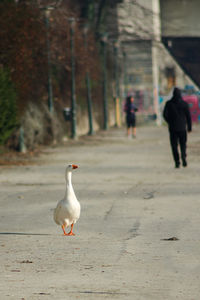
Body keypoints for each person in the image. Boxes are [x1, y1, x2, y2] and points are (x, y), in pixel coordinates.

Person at [163, 87, 192, 168]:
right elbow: (188, 116)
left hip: (173, 128)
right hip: (182, 128)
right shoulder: (184, 104)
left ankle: (177, 162)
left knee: (174, 146)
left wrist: (169, 122)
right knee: (183, 144)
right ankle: (183, 156)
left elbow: (165, 115)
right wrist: (189, 127)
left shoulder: (169, 104)